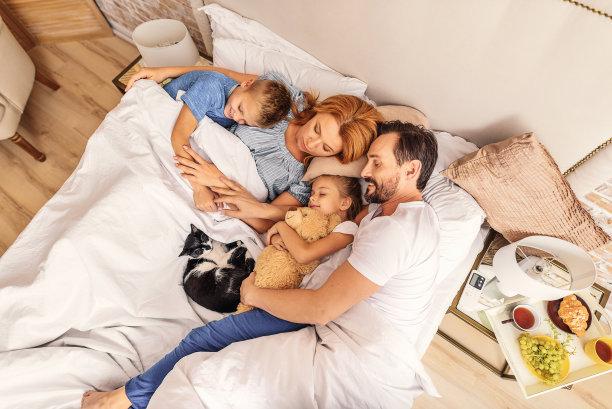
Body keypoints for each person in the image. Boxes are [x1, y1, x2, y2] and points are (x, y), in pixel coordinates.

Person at [81, 175, 364, 409]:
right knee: (207, 342)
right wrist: (278, 232)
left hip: (296, 309)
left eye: (322, 194)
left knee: (203, 340)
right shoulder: (312, 222)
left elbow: (303, 253)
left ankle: (119, 400)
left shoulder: (347, 228)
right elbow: (279, 242)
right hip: (284, 296)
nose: (313, 199)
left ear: (345, 202)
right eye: (313, 193)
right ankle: (133, 399)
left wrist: (280, 226)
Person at [129, 66, 381, 228]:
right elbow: (221, 79)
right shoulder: (285, 99)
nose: (311, 143)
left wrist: (217, 181)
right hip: (188, 150)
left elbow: (265, 220)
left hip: (215, 194)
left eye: (325, 148)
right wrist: (164, 72)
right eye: (316, 129)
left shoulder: (305, 178)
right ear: (319, 111)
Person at [130, 68, 292, 211]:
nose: (236, 117)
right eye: (240, 108)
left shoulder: (238, 107)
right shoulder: (211, 88)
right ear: (246, 84)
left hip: (193, 125)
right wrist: (199, 189)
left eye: (244, 121)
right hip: (167, 113)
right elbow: (179, 135)